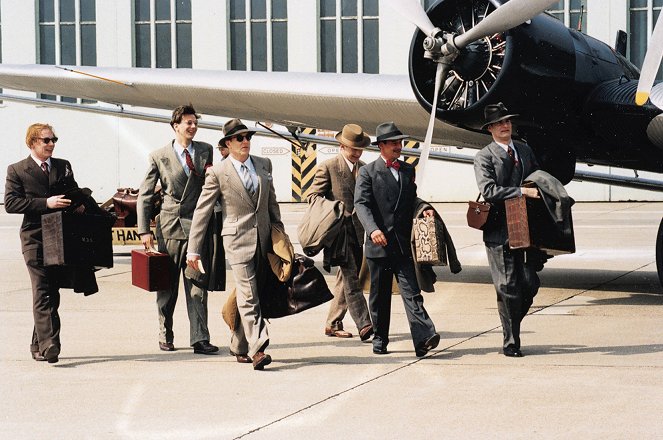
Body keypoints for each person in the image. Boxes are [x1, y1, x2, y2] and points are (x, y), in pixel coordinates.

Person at [187, 118, 283, 370]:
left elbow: (271, 204)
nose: (245, 142)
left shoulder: (264, 164)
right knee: (249, 294)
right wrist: (193, 249)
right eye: (239, 138)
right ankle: (258, 348)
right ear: (227, 144)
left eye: (248, 137)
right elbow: (202, 211)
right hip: (237, 241)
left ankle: (238, 345)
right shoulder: (217, 172)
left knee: (253, 294)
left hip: (264, 240)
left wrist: (280, 236)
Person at [4, 124, 94, 363]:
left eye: (54, 139)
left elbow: (72, 191)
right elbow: (11, 203)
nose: (52, 144)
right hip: (34, 238)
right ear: (32, 142)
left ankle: (37, 343)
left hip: (60, 237)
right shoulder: (17, 170)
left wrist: (79, 203)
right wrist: (46, 203)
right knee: (42, 288)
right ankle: (50, 344)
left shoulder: (63, 166)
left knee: (51, 291)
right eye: (46, 140)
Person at [136, 104, 218, 355]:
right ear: (176, 126)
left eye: (195, 122)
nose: (193, 127)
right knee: (167, 287)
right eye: (188, 123)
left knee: (197, 286)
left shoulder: (205, 150)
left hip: (197, 227)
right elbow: (145, 196)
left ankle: (200, 338)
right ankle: (165, 333)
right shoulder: (158, 156)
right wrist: (144, 231)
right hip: (170, 227)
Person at [354, 122, 440, 357]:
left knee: (412, 292)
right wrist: (372, 230)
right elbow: (361, 205)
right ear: (381, 146)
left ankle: (423, 338)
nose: (398, 147)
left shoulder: (407, 169)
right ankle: (380, 338)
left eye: (400, 142)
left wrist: (424, 209)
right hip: (378, 245)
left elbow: (412, 199)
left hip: (402, 245)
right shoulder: (368, 172)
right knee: (380, 296)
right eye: (393, 143)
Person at [473, 102, 541, 358]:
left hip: (524, 228)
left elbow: (537, 178)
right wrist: (521, 192)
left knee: (530, 282)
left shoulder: (523, 150)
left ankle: (511, 324)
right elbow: (489, 191)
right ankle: (511, 342)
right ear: (490, 128)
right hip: (499, 229)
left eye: (508, 121)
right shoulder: (485, 156)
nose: (505, 126)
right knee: (507, 286)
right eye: (500, 122)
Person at [307, 123, 373, 341]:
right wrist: (336, 209)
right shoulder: (328, 167)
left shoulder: (364, 168)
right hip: (339, 233)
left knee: (344, 279)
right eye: (353, 149)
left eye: (359, 149)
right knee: (351, 277)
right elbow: (313, 196)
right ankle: (365, 324)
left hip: (358, 232)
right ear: (342, 146)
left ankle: (332, 323)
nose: (356, 153)